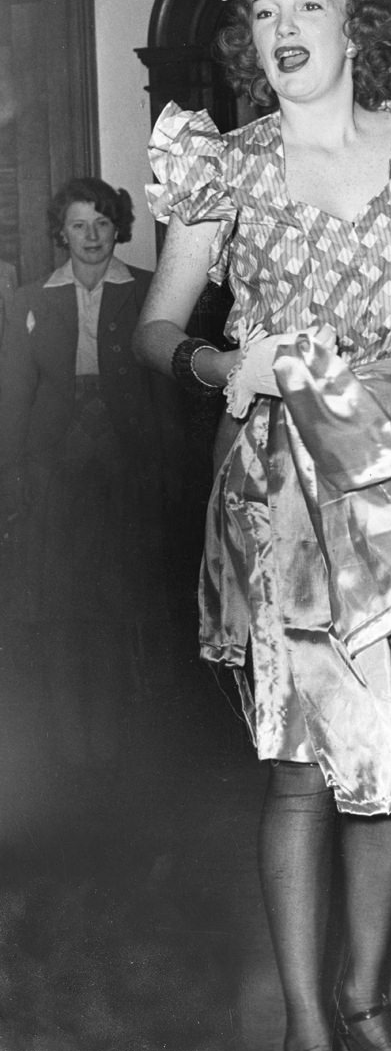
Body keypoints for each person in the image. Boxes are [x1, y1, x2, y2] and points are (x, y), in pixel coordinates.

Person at [133, 0, 391, 1051]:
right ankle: (306, 1022)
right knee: (297, 756)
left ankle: (369, 995)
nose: (284, 30)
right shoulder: (221, 163)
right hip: (281, 481)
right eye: (263, 13)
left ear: (355, 22)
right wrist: (220, 360)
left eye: (309, 5)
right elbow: (155, 327)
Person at [0, 177, 183, 761]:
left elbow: (166, 395)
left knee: (128, 592)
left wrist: (172, 474)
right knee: (62, 598)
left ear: (117, 228)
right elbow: (13, 396)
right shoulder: (31, 299)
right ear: (62, 232)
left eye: (102, 223)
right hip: (55, 465)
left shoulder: (149, 292)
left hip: (128, 462)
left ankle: (133, 731)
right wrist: (12, 476)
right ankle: (70, 737)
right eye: (78, 225)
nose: (91, 236)